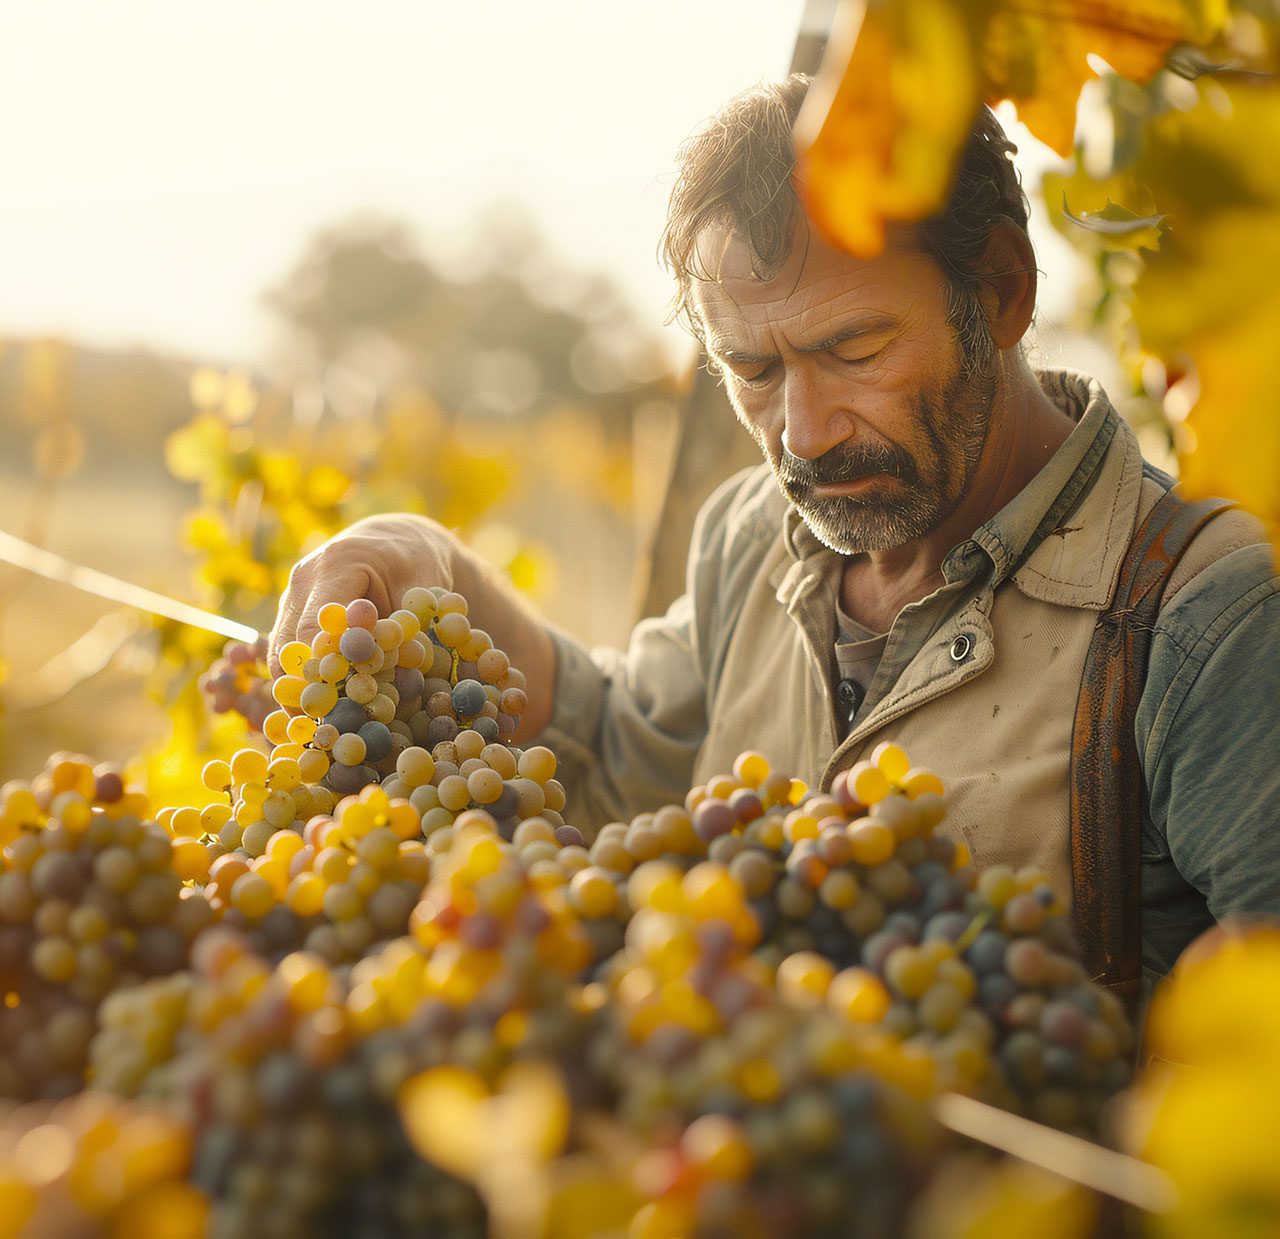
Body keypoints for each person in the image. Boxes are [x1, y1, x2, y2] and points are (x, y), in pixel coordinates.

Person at [270, 77, 1280, 984]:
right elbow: (620, 754)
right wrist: (431, 560)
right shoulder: (751, 533)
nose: (801, 433)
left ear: (1003, 293)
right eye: (750, 370)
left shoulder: (1207, 621)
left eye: (852, 348)